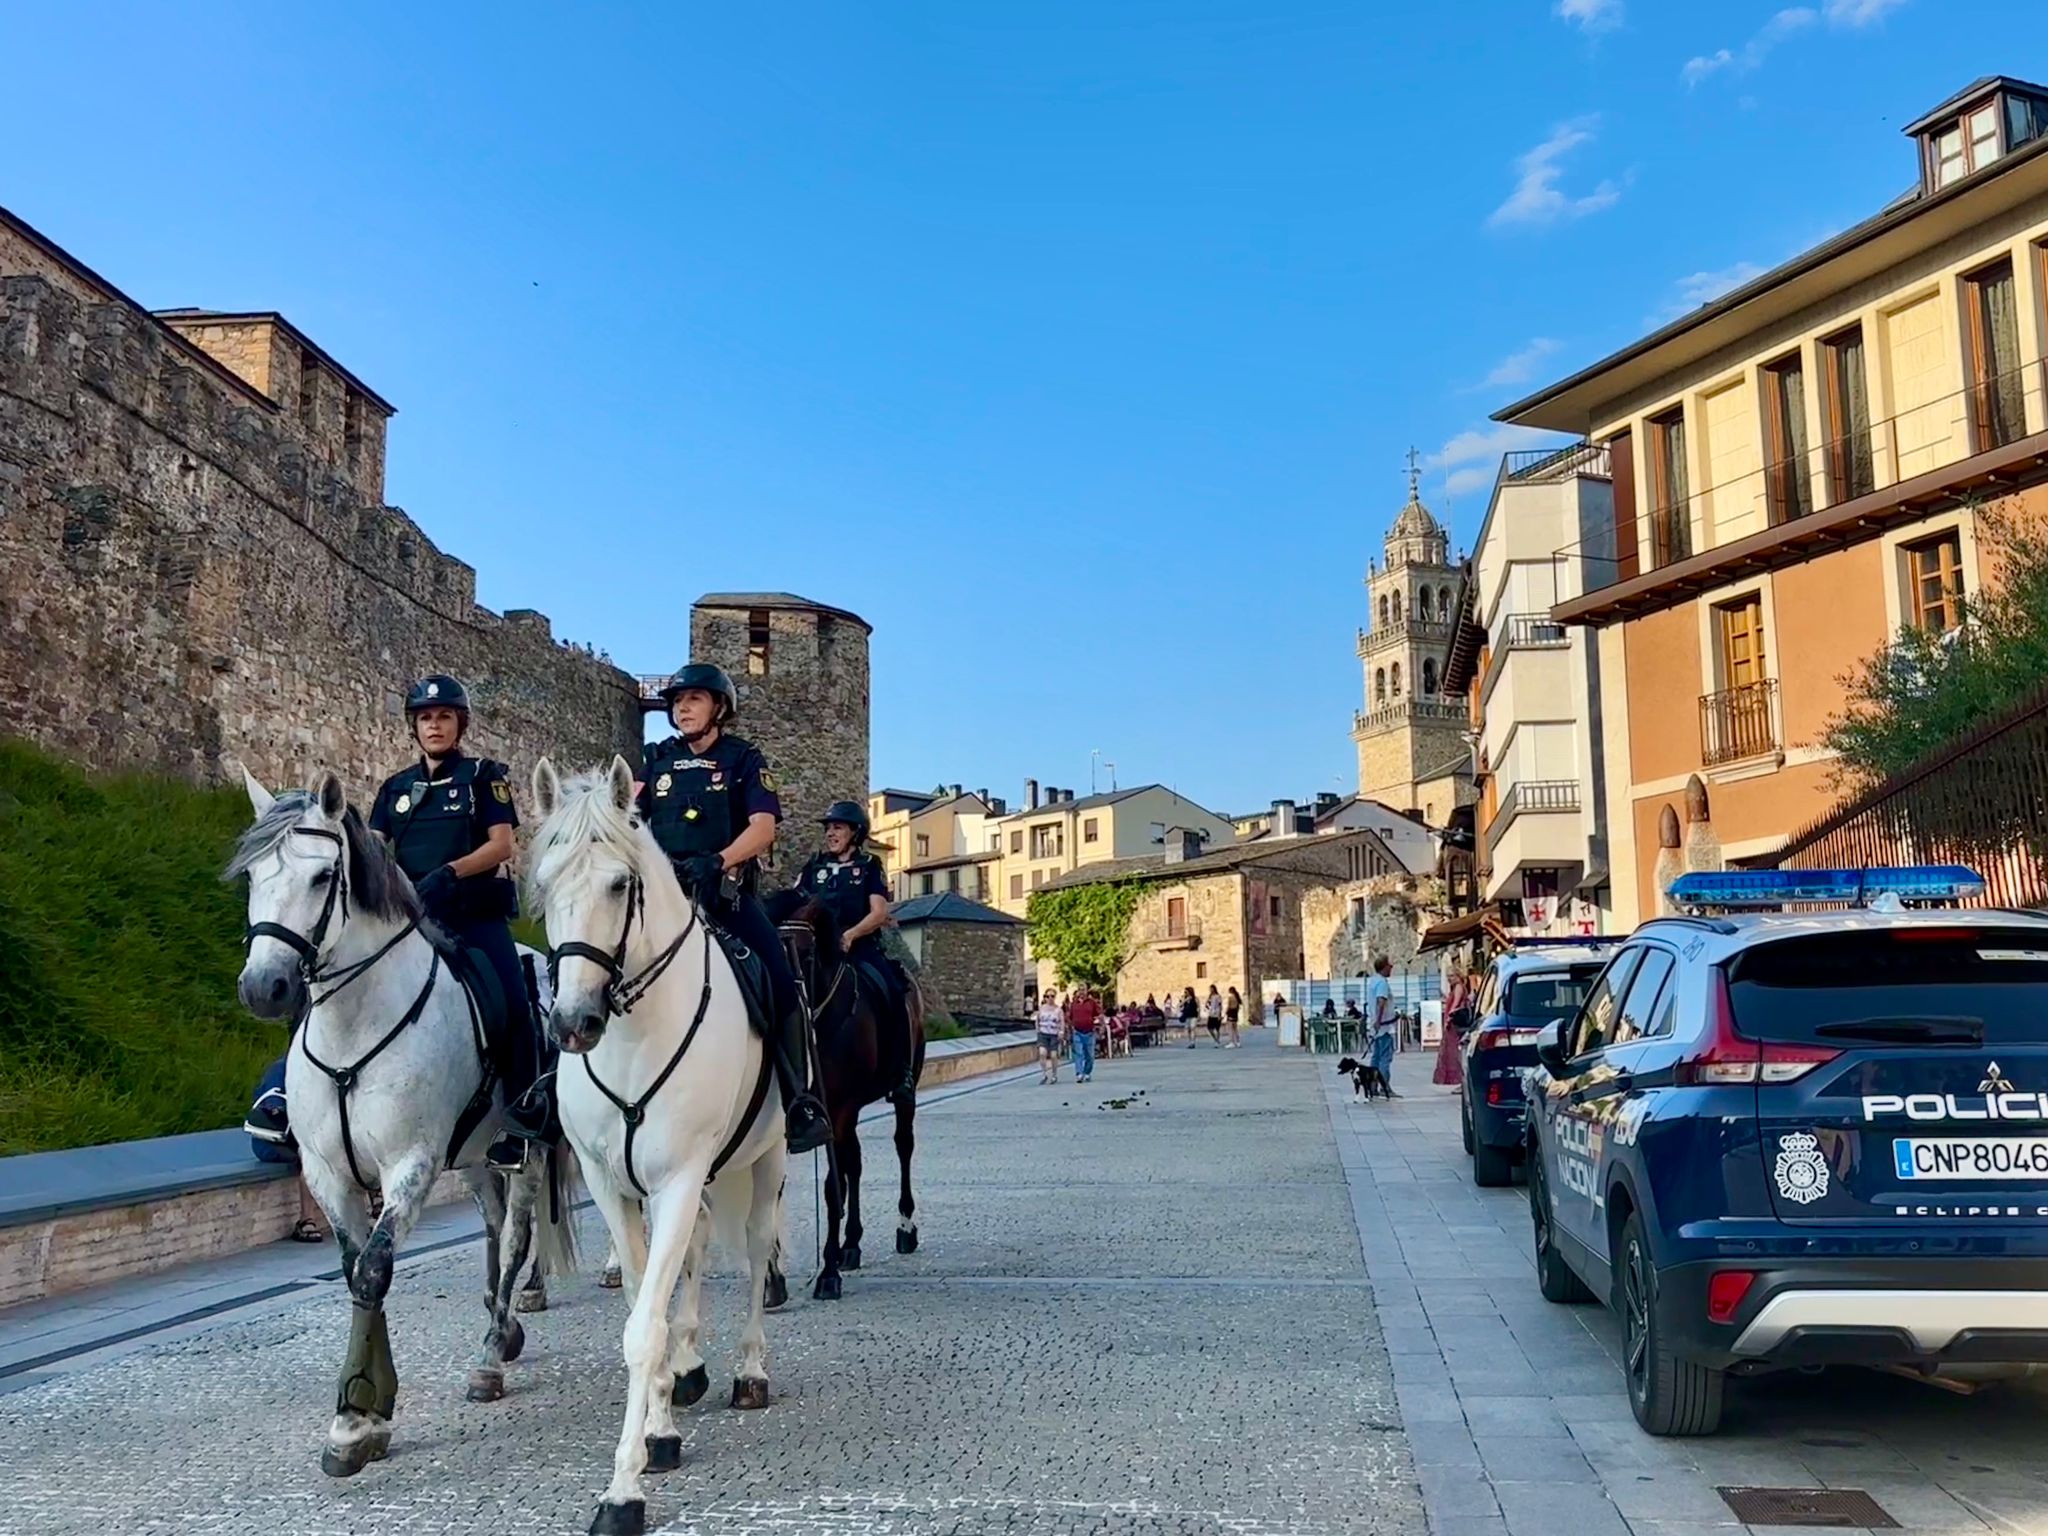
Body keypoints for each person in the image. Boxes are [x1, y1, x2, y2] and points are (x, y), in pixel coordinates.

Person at [638, 662, 831, 1153]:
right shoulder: (655, 761)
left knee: (783, 985)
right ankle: (557, 1096)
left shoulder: (744, 759)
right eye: (677, 701)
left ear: (719, 708)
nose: (683, 707)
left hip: (723, 898)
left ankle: (799, 1102)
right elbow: (626, 819)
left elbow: (764, 828)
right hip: (662, 902)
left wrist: (718, 860)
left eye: (695, 699)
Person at [364, 674, 550, 1168]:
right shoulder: (395, 788)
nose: (434, 726)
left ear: (459, 723)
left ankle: (522, 1117)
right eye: (426, 718)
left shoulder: (483, 777)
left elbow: (501, 845)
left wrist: (450, 872)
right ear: (415, 727)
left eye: (444, 716)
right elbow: (375, 850)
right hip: (410, 918)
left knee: (514, 1004)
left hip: (471, 916)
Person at [792, 799, 916, 1105]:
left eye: (838, 827)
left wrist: (850, 935)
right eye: (829, 828)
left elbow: (878, 912)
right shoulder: (813, 866)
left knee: (893, 989)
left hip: (859, 947)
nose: (830, 834)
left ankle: (901, 1071)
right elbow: (798, 903)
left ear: (855, 833)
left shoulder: (869, 867)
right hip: (819, 951)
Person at [1366, 954, 1400, 1098]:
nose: (1391, 968)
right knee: (1385, 1058)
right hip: (1384, 1027)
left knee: (1376, 1056)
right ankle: (1384, 1087)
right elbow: (1381, 1002)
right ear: (1384, 967)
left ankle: (1372, 1086)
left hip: (1375, 1025)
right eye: (1390, 965)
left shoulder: (1372, 981)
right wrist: (1380, 1020)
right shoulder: (1382, 983)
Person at [1434, 967, 1473, 1086]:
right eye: (1448, 976)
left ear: (1458, 976)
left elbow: (1456, 1004)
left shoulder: (1458, 987)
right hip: (1453, 1021)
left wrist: (1448, 1018)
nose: (1449, 979)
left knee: (1454, 1050)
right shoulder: (1457, 987)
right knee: (1452, 1050)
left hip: (1454, 1022)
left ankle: (1458, 1078)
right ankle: (1457, 1079)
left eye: (1451, 976)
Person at [1066, 983, 1101, 1082]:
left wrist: (1100, 1025)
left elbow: (1099, 1014)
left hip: (1089, 1032)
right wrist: (1070, 1027)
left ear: (1087, 991)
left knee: (1090, 1055)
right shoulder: (1073, 1004)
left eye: (1083, 990)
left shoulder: (1091, 1003)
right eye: (1080, 990)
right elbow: (1069, 1017)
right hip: (1077, 1031)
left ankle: (1087, 1072)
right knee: (1079, 1053)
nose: (1081, 992)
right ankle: (1079, 1073)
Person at [1035, 987, 1065, 1084]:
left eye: (1052, 996)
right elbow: (1037, 1019)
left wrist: (1061, 1032)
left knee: (1053, 1055)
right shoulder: (1042, 1008)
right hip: (1043, 1033)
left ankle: (1054, 1074)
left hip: (1053, 1034)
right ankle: (1044, 1073)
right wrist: (1038, 1030)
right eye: (1048, 996)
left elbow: (1062, 1022)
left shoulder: (1058, 1010)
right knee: (1042, 1053)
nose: (1050, 998)